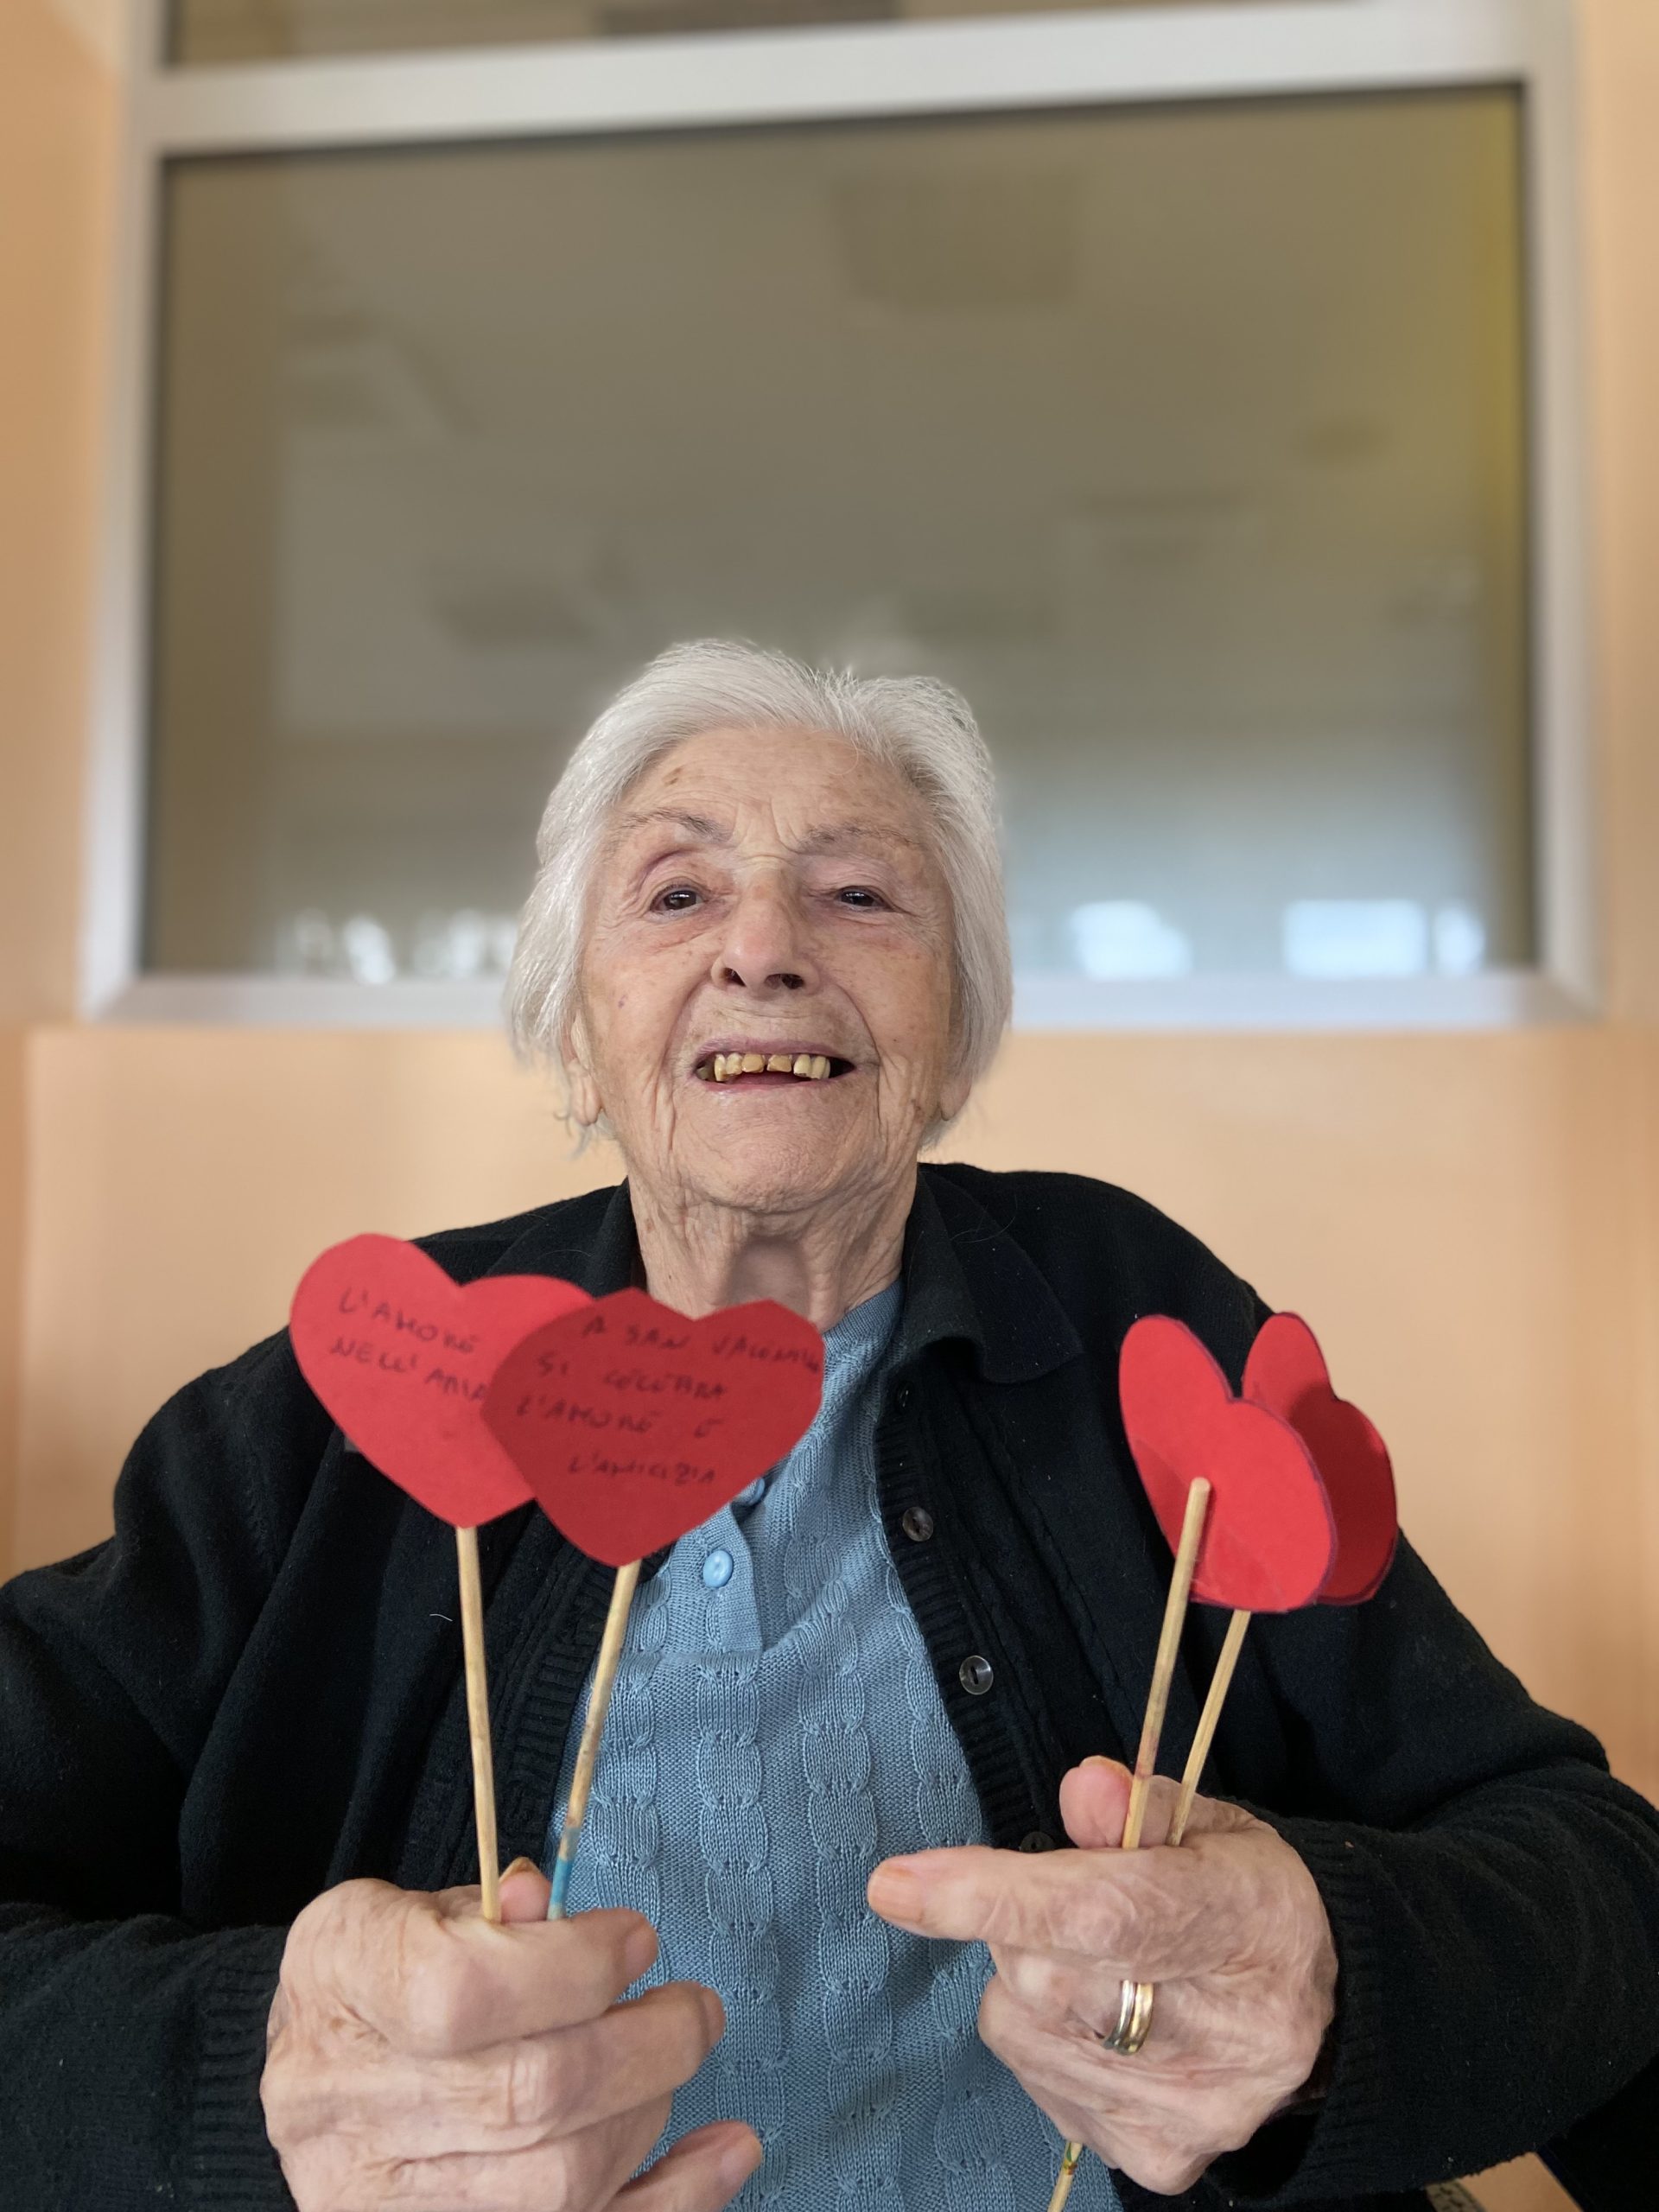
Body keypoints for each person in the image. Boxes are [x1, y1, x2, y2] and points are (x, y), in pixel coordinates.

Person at [1, 641, 1655, 2212]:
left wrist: (1332, 1982)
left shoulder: (1136, 1325)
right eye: (677, 893)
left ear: (956, 1033)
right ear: (577, 1029)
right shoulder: (356, 1400)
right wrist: (251, 2076)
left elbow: (1601, 1887)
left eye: (860, 894)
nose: (764, 950)